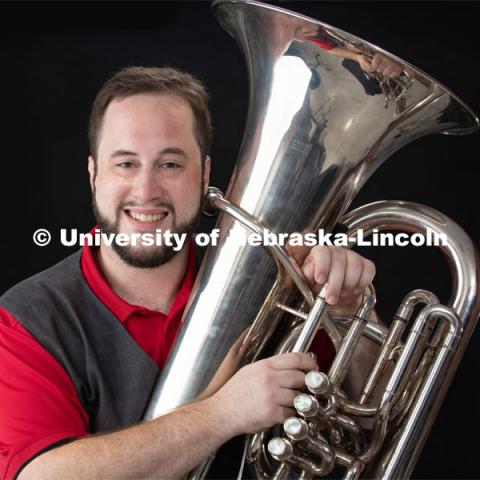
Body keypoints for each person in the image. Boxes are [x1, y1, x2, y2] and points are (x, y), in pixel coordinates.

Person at [0, 67, 375, 480]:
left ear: (206, 175)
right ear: (93, 174)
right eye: (125, 163)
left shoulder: (275, 290)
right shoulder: (26, 320)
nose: (146, 190)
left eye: (171, 164)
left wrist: (350, 314)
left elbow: (368, 427)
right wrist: (222, 414)